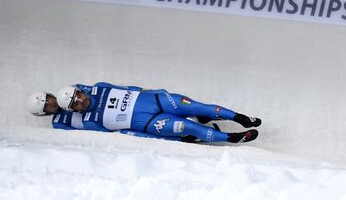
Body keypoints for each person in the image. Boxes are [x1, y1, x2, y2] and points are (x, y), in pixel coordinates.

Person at [57, 82, 261, 143]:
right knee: (188, 126)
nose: (82, 101)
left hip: (156, 100)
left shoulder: (100, 86)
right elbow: (120, 134)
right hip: (151, 122)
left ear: (81, 91)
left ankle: (239, 118)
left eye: (79, 96)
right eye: (76, 104)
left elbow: (131, 88)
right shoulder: (91, 122)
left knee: (197, 106)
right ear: (73, 110)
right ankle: (233, 137)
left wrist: (157, 92)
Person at [26, 92, 201, 142]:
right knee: (145, 134)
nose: (51, 103)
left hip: (114, 112)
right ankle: (183, 138)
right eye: (47, 105)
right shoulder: (58, 124)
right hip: (110, 127)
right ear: (44, 113)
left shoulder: (68, 94)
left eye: (49, 99)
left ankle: (194, 117)